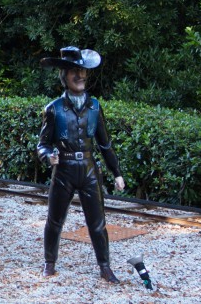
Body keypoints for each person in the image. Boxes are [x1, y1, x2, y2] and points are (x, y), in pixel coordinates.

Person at [37, 46, 125, 283]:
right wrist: (48, 156)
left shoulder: (94, 107)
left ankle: (105, 266)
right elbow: (42, 144)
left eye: (83, 72)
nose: (80, 76)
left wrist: (116, 172)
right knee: (55, 220)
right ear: (64, 76)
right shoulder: (53, 109)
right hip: (63, 170)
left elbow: (104, 143)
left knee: (97, 223)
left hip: (88, 169)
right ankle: (49, 262)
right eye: (75, 72)